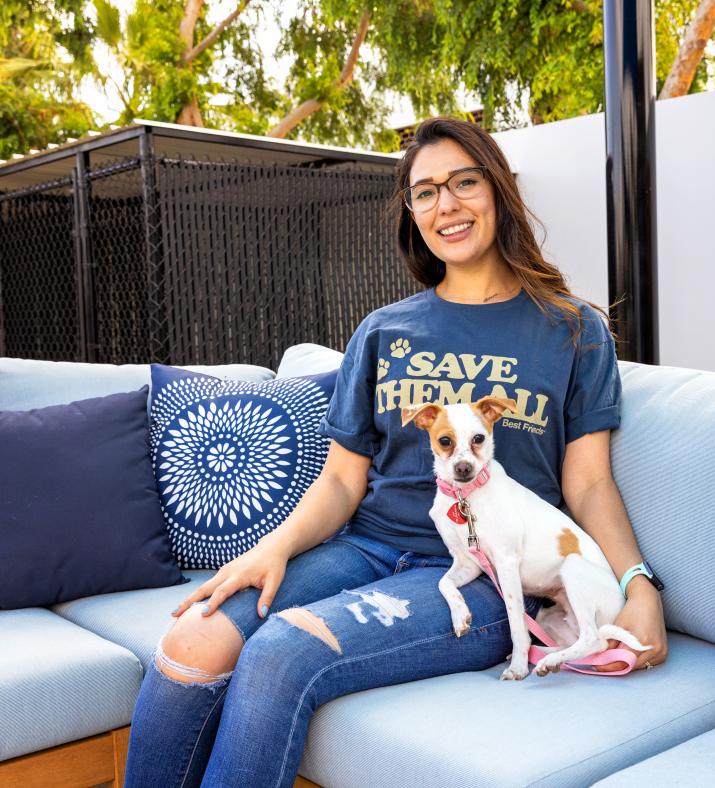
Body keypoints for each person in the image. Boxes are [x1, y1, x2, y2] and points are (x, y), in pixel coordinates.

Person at [124, 116, 668, 788]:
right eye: (426, 192)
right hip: (367, 547)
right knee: (190, 640)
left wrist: (636, 586)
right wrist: (273, 547)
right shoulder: (383, 331)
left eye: (464, 183)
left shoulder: (572, 329)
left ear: (497, 191)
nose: (447, 205)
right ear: (412, 213)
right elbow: (342, 484)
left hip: (483, 572)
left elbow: (588, 486)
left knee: (277, 657)